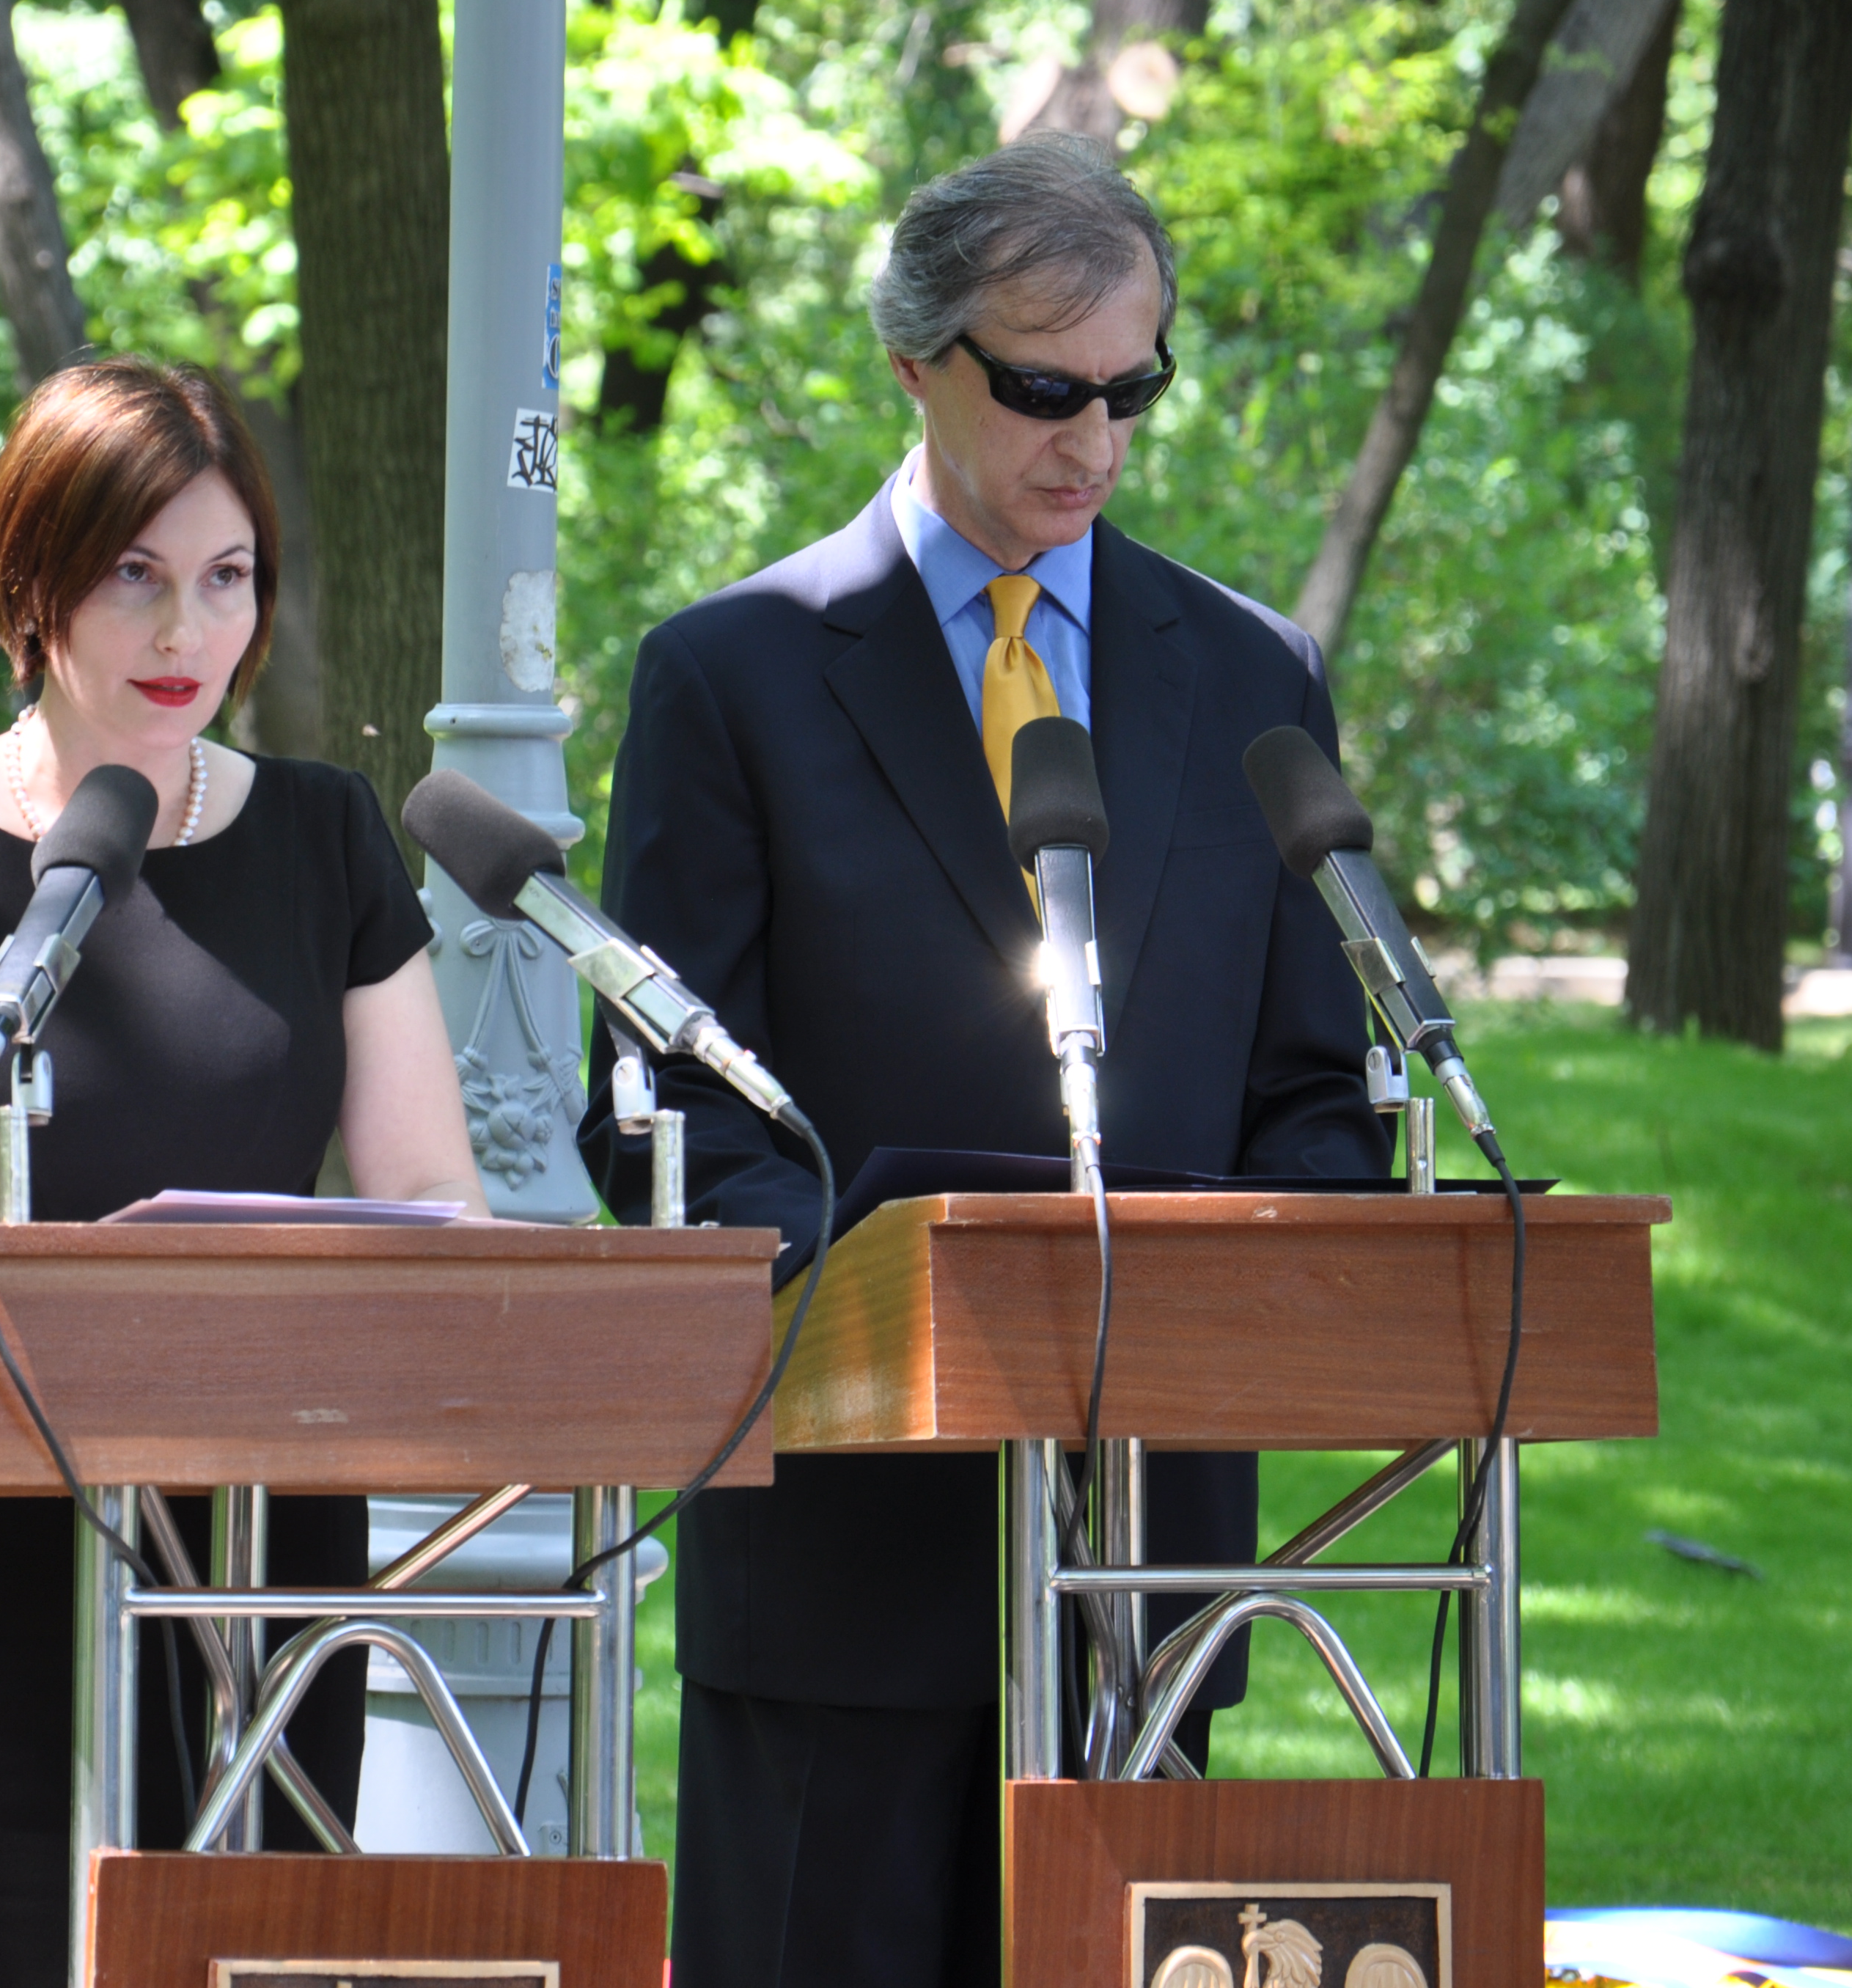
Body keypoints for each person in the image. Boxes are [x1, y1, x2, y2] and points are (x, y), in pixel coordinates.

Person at [580, 132, 1389, 1988]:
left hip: (1145, 1548)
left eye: (1131, 389)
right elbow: (662, 1089)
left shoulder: (1252, 675)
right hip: (841, 1534)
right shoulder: (734, 671)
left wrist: (1318, 1271)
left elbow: (1305, 1080)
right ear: (914, 357)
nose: (1090, 442)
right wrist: (842, 1301)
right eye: (1042, 387)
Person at [0, 356, 488, 1988]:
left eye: (223, 579)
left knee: (236, 1959)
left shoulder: (330, 837)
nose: (185, 633)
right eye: (133, 577)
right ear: (30, 582)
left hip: (261, 1545)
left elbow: (434, 1200)